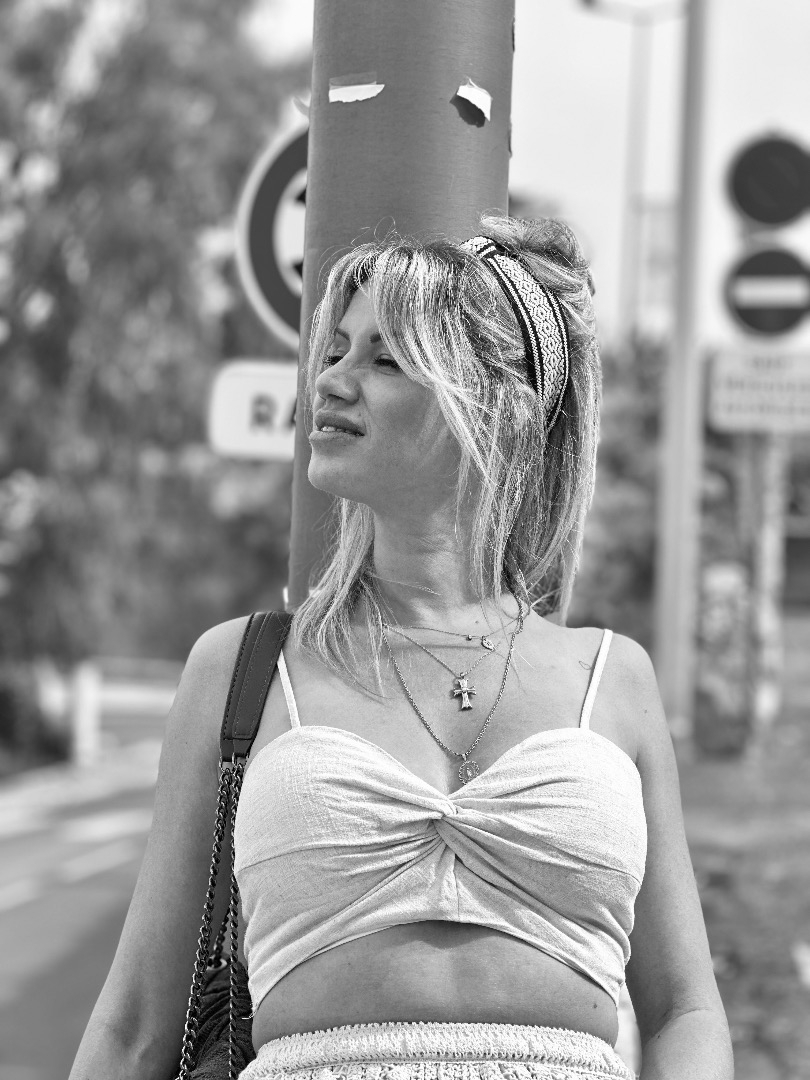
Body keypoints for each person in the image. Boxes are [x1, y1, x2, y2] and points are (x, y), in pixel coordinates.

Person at [69, 216, 733, 1080]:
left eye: (384, 361)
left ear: (499, 410)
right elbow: (134, 1026)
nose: (330, 381)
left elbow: (684, 1008)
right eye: (334, 351)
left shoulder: (614, 677)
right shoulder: (240, 672)